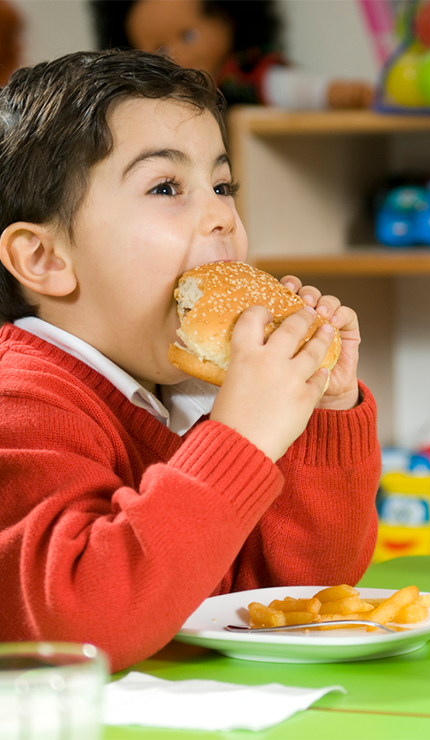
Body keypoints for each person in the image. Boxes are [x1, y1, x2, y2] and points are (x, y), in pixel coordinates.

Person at [0, 49, 380, 672]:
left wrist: (321, 412)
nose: (222, 217)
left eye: (223, 186)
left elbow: (305, 593)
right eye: (166, 187)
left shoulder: (183, 393)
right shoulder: (21, 401)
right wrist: (240, 439)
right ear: (44, 259)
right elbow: (81, 626)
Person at [89, 0, 375, 109]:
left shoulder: (244, 75)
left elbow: (286, 87)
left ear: (227, 19)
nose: (176, 53)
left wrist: (332, 93)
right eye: (159, 49)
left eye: (189, 36)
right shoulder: (150, 97)